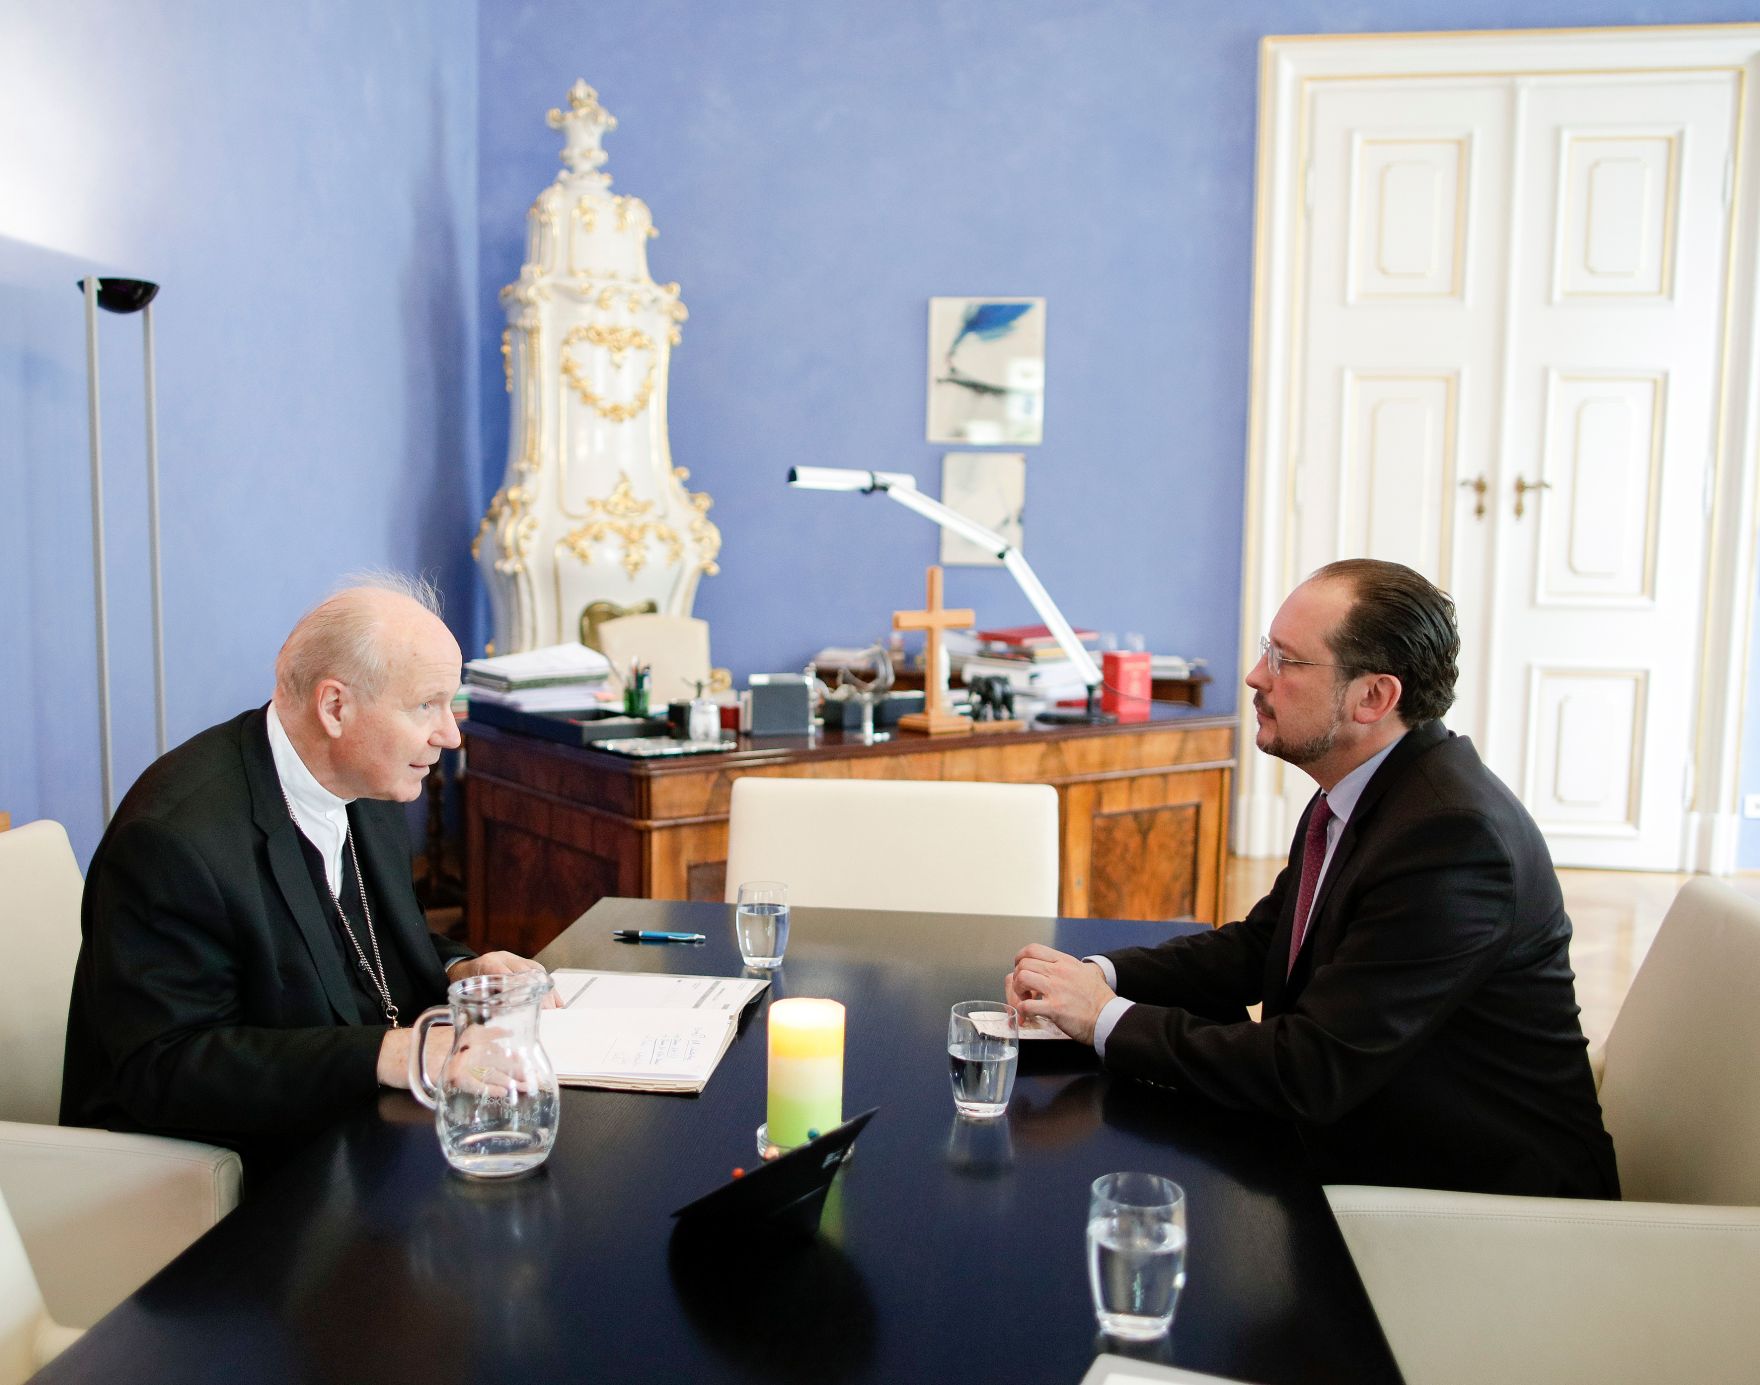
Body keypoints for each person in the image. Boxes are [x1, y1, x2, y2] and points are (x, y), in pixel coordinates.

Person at [1008, 559, 1619, 1197]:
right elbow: (1258, 947)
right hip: (1368, 1146)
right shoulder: (1362, 792)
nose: (1254, 676)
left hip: (1477, 1211)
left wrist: (1104, 1018)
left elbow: (1309, 1070)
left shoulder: (1454, 841)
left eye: (1286, 661)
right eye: (1267, 651)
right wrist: (1093, 979)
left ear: (1374, 697)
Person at [61, 575, 551, 1160]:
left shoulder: (370, 782)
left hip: (352, 1133)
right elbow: (166, 1067)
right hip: (211, 1172)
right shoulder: (173, 840)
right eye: (427, 705)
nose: (450, 735)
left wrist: (462, 969)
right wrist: (397, 1054)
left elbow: (362, 946)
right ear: (335, 706)